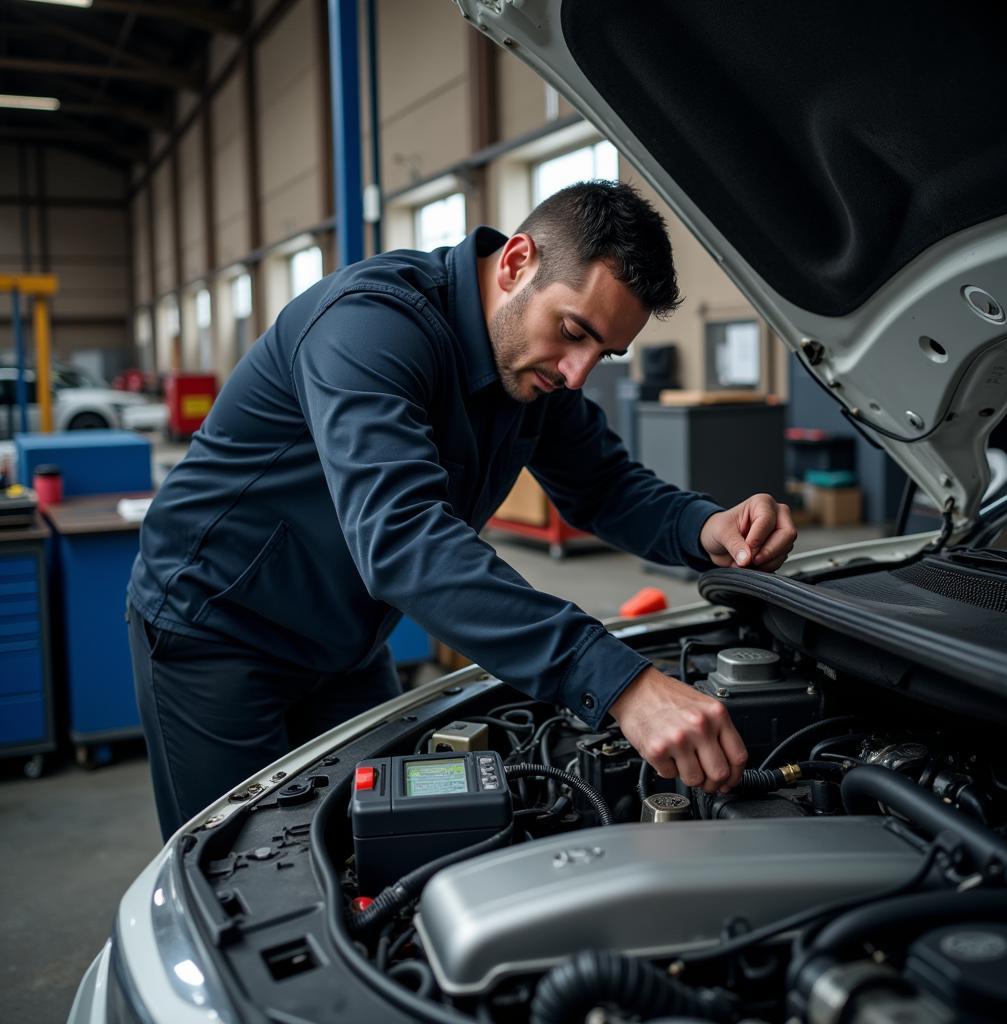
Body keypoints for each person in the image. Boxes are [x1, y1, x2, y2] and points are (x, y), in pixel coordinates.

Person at [128, 181, 797, 839]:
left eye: (605, 353)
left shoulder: (533, 366)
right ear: (515, 263)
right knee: (243, 866)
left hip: (345, 642)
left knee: (384, 841)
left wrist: (705, 525)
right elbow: (404, 540)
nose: (578, 374)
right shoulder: (370, 328)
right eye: (573, 332)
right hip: (216, 632)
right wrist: (619, 682)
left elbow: (603, 486)